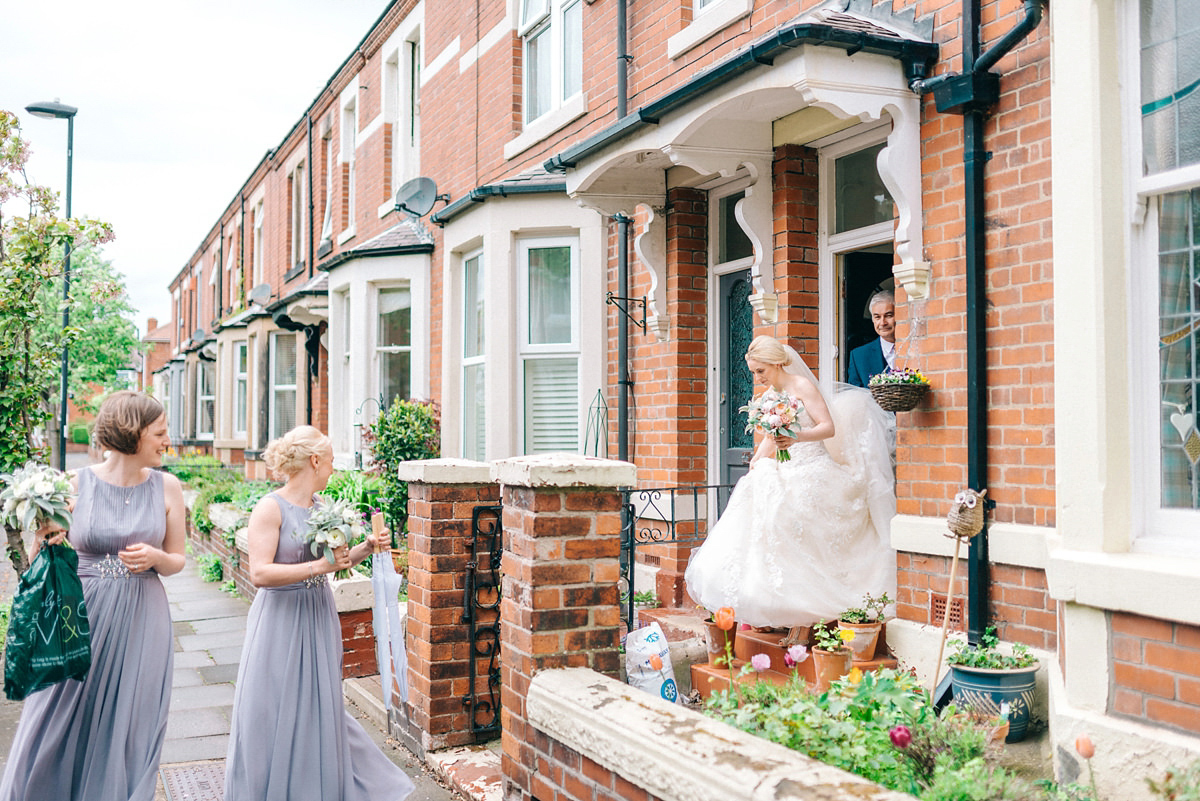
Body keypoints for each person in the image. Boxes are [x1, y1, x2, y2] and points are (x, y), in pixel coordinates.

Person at [0, 391, 187, 801]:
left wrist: (156, 556)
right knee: (57, 712)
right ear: (132, 434)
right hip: (78, 614)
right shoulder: (72, 484)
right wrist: (42, 543)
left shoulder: (168, 487)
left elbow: (177, 560)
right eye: (159, 432)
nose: (166, 441)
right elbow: (41, 558)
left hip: (143, 617)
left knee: (131, 719)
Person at [224, 425, 415, 801]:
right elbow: (260, 573)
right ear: (314, 461)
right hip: (280, 620)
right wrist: (320, 568)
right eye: (330, 459)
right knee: (272, 709)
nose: (333, 468)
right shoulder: (270, 508)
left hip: (317, 616)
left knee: (318, 705)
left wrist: (367, 547)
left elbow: (334, 562)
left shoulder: (321, 509)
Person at [685, 335, 896, 645]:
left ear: (778, 364)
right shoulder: (773, 394)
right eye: (754, 372)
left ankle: (804, 622)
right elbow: (772, 436)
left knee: (791, 510)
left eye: (761, 371)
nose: (757, 378)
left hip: (815, 465)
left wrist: (797, 437)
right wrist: (756, 461)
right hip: (788, 465)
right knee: (757, 491)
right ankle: (779, 610)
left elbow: (828, 427)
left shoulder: (802, 387)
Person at [847, 290, 897, 388]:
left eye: (889, 315)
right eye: (877, 317)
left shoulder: (916, 348)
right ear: (873, 320)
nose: (883, 323)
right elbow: (854, 396)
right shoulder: (858, 356)